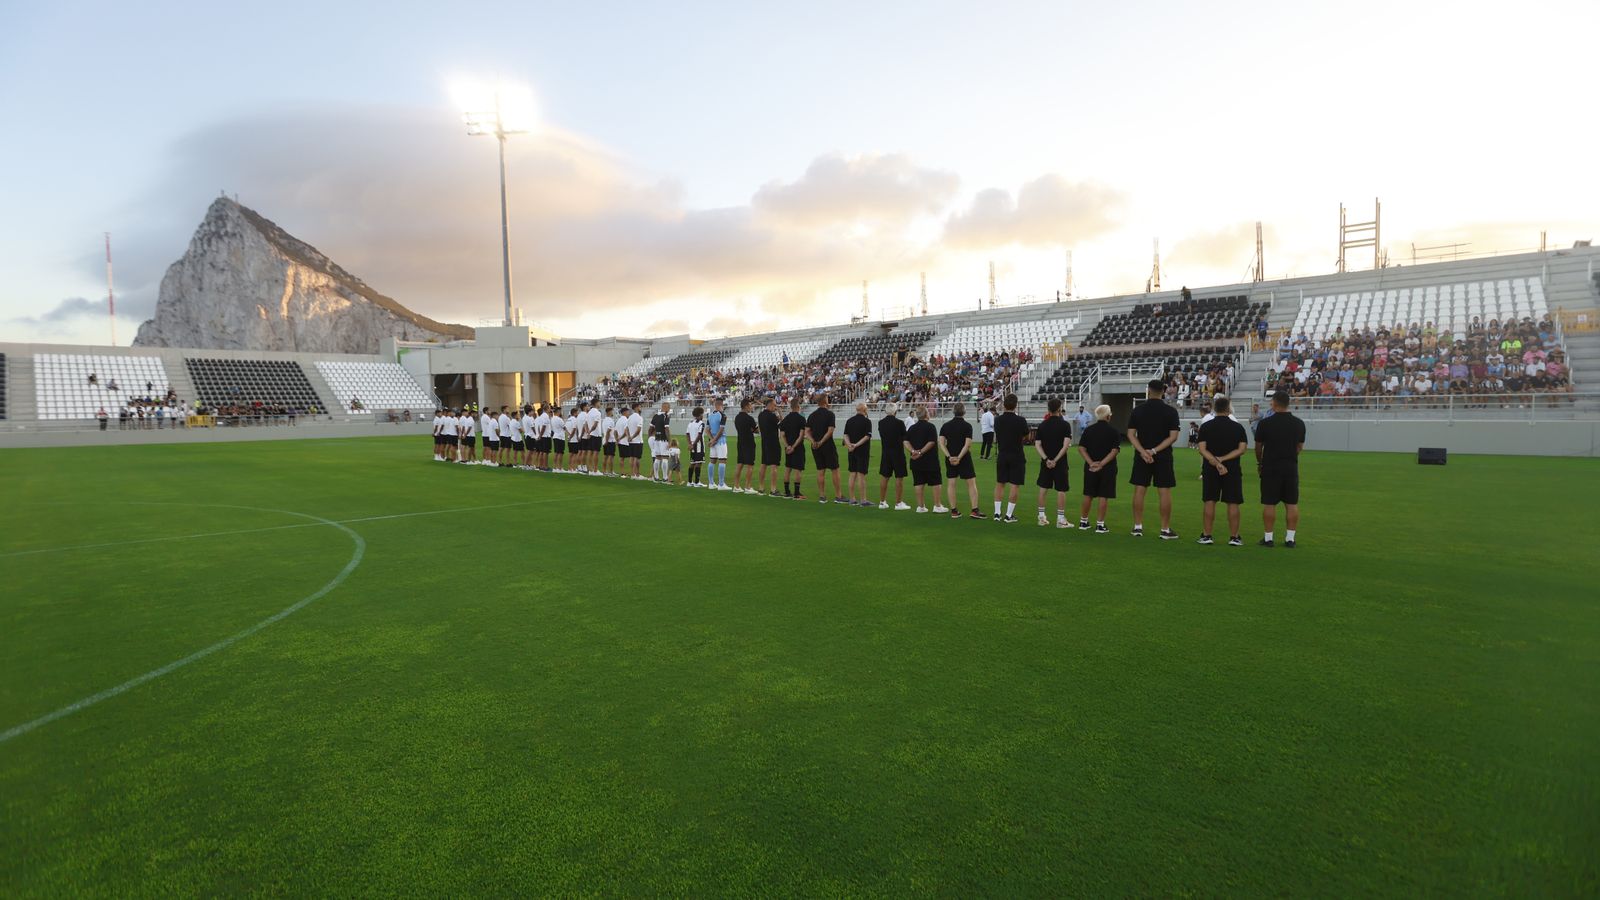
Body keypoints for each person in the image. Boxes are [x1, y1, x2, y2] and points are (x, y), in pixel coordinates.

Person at [1128, 379, 1181, 539]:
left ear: (1148, 390)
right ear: (1163, 391)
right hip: (1163, 456)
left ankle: (1137, 527)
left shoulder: (1138, 410)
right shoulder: (1171, 411)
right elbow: (1173, 437)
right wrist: (1154, 451)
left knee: (1139, 489)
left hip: (1142, 456)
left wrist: (1143, 452)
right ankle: (1165, 529)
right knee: (1164, 491)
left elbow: (1131, 434)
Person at [1254, 389, 1307, 548]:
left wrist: (1260, 463)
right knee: (1291, 503)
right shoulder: (1299, 423)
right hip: (1290, 467)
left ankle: (1268, 538)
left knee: (1269, 503)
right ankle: (1290, 539)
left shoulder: (1264, 423)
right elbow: (1299, 447)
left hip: (1270, 467)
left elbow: (1258, 447)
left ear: (1274, 403)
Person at [1196, 395, 1249, 546]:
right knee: (1233, 502)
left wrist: (1215, 461)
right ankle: (1234, 537)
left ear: (1214, 409)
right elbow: (1242, 449)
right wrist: (1223, 460)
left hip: (1210, 468)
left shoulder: (1206, 426)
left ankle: (1207, 535)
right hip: (1231, 469)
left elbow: (1202, 449)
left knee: (1209, 501)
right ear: (1228, 409)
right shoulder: (1237, 427)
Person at [1077, 404, 1119, 533]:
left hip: (1090, 467)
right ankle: (1100, 525)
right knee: (1103, 495)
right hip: (1108, 467)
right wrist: (1101, 464)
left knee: (1088, 494)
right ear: (1108, 416)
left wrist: (1091, 463)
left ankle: (1083, 522)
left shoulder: (1089, 430)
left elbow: (1081, 448)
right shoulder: (1113, 431)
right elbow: (1114, 451)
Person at [1033, 397, 1072, 527]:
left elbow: (1037, 444)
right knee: (1061, 490)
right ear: (1059, 409)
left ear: (1048, 409)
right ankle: (1060, 519)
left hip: (1046, 462)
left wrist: (1046, 459)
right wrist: (1055, 460)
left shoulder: (1043, 425)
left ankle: (1041, 517)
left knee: (1043, 489)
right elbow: (1065, 445)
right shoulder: (1065, 425)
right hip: (1060, 462)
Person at [938, 403, 981, 518]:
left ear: (953, 412)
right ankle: (974, 510)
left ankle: (954, 511)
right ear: (964, 412)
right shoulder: (967, 426)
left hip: (951, 458)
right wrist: (959, 457)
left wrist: (949, 457)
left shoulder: (945, 426)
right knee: (971, 483)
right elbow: (967, 445)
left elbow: (941, 443)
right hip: (964, 458)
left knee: (951, 483)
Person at [991, 393, 1028, 523]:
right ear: (1015, 405)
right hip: (1016, 455)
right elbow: (1025, 436)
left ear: (1004, 405)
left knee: (1000, 484)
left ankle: (997, 513)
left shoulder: (998, 420)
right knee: (1014, 485)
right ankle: (1008, 515)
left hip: (1002, 454)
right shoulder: (1021, 420)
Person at [904, 404, 941, 513]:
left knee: (918, 483)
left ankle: (920, 507)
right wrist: (920, 452)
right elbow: (931, 442)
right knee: (936, 482)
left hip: (916, 461)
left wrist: (913, 451)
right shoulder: (931, 427)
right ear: (926, 414)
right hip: (930, 460)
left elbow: (905, 441)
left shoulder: (912, 428)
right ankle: (937, 506)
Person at [807, 394, 842, 503]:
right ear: (825, 401)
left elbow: (807, 431)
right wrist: (821, 441)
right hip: (827, 445)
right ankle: (838, 496)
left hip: (815, 446)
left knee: (820, 470)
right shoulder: (830, 414)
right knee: (835, 470)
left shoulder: (812, 415)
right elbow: (830, 430)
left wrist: (813, 441)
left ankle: (822, 496)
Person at [876, 401, 910, 510]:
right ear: (895, 411)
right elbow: (905, 439)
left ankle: (882, 502)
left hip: (886, 453)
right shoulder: (900, 423)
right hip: (898, 453)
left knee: (884, 477)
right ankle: (898, 503)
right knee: (899, 478)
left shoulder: (881, 423)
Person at [842, 401, 873, 507]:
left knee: (852, 474)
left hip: (851, 451)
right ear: (864, 410)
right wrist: (856, 445)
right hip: (862, 451)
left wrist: (849, 445)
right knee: (861, 475)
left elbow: (845, 435)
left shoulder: (849, 421)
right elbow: (867, 436)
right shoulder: (867, 421)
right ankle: (863, 500)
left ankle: (852, 499)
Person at [779, 398, 808, 500]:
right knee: (798, 470)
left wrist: (788, 446)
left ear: (791, 407)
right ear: (798, 406)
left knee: (788, 468)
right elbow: (801, 435)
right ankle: (796, 493)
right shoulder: (801, 419)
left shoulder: (785, 420)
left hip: (788, 448)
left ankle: (787, 492)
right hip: (798, 448)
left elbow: (782, 435)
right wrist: (794, 447)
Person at [758, 397, 783, 496]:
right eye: (774, 405)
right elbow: (782, 424)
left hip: (764, 441)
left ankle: (761, 488)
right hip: (773, 442)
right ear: (770, 405)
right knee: (774, 465)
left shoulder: (760, 415)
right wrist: (780, 413)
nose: (775, 407)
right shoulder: (772, 416)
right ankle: (773, 489)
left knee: (763, 464)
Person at [734, 398, 758, 493]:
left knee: (740, 464)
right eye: (750, 405)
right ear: (746, 406)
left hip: (740, 442)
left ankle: (736, 486)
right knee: (750, 465)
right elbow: (756, 430)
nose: (751, 407)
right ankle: (748, 487)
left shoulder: (737, 417)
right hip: (749, 442)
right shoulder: (749, 418)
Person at [705, 398, 729, 490]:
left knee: (712, 461)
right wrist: (715, 440)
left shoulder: (710, 416)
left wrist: (711, 440)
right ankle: (721, 484)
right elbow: (721, 429)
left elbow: (707, 430)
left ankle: (711, 483)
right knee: (722, 460)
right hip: (720, 440)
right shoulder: (722, 415)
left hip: (713, 442)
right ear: (721, 405)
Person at [650, 401, 674, 483]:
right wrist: (670, 441)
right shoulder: (665, 416)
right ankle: (665, 478)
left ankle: (656, 477)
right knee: (665, 458)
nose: (669, 408)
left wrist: (650, 436)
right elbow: (666, 429)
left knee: (657, 458)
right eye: (669, 407)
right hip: (663, 439)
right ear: (665, 407)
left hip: (656, 439)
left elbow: (651, 428)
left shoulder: (655, 416)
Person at [685, 407, 707, 487]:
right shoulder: (701, 423)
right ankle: (697, 482)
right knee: (699, 463)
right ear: (700, 414)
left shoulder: (690, 423)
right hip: (698, 445)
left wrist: (689, 444)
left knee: (692, 463)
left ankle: (689, 482)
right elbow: (699, 435)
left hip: (692, 445)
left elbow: (687, 434)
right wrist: (693, 445)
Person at [601, 405, 618, 476]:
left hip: (605, 439)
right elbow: (608, 431)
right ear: (609, 412)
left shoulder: (604, 420)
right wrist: (607, 441)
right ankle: (610, 472)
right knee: (611, 457)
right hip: (610, 441)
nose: (613, 412)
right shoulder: (610, 420)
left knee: (605, 456)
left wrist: (605, 440)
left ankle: (604, 471)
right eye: (612, 411)